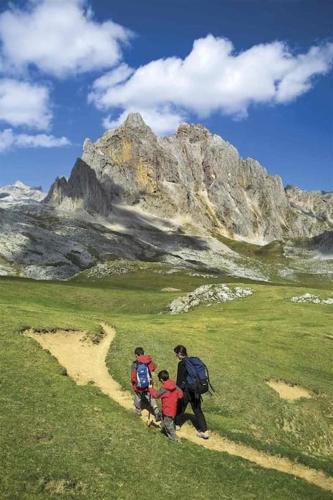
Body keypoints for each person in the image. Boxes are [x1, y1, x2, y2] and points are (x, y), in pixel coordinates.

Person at [174, 344, 209, 439]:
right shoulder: (193, 362)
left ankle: (176, 425)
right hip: (196, 390)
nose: (176, 356)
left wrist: (177, 391)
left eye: (176, 354)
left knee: (180, 407)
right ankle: (205, 431)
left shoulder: (181, 364)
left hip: (186, 390)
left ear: (180, 353)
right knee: (197, 410)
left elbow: (179, 380)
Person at [149, 370, 183, 441]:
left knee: (168, 424)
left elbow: (156, 395)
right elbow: (181, 395)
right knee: (165, 419)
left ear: (161, 379)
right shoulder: (174, 384)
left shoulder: (164, 388)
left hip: (167, 409)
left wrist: (150, 388)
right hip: (173, 408)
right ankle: (163, 428)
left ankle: (174, 439)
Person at [130, 347, 161, 422]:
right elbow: (154, 368)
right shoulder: (148, 361)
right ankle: (156, 412)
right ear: (143, 353)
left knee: (138, 397)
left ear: (136, 355)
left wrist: (134, 383)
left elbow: (133, 377)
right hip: (148, 384)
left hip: (139, 386)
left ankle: (138, 411)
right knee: (151, 397)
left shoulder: (135, 364)